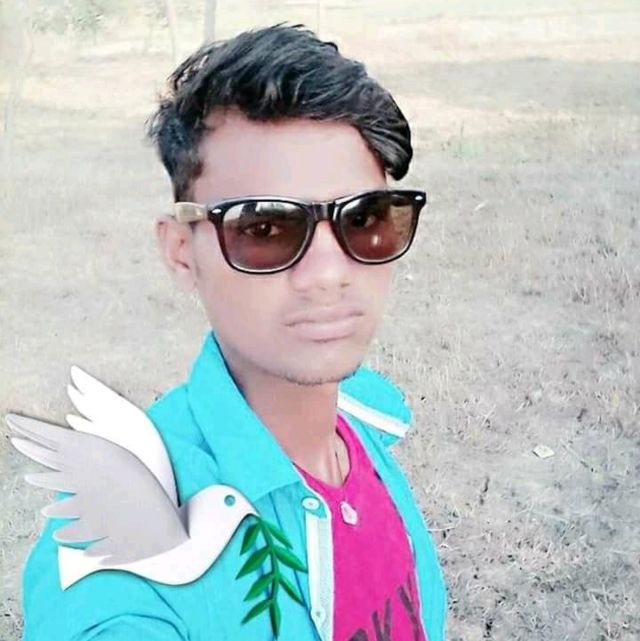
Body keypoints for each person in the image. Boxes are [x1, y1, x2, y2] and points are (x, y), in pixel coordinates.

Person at [19, 23, 447, 641]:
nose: (328, 273)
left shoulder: (363, 417)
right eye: (263, 228)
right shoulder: (122, 547)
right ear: (180, 252)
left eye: (364, 218)